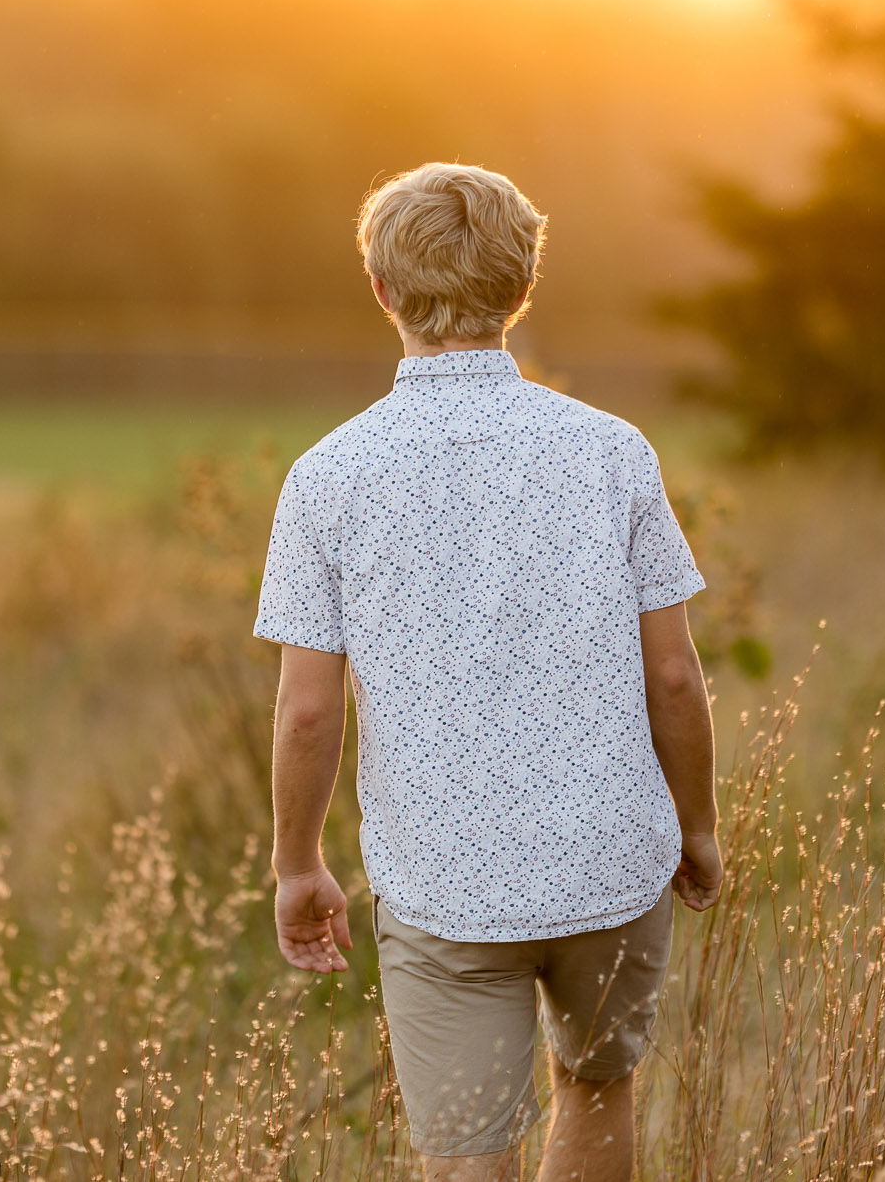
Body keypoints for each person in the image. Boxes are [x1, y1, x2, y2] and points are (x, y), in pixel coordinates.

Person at [255, 162, 724, 1181]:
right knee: (598, 1095)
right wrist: (694, 825)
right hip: (610, 858)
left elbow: (304, 714)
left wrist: (299, 863)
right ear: (523, 286)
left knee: (468, 1151)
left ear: (381, 290)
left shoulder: (328, 476)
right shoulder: (612, 452)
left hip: (441, 878)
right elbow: (677, 678)